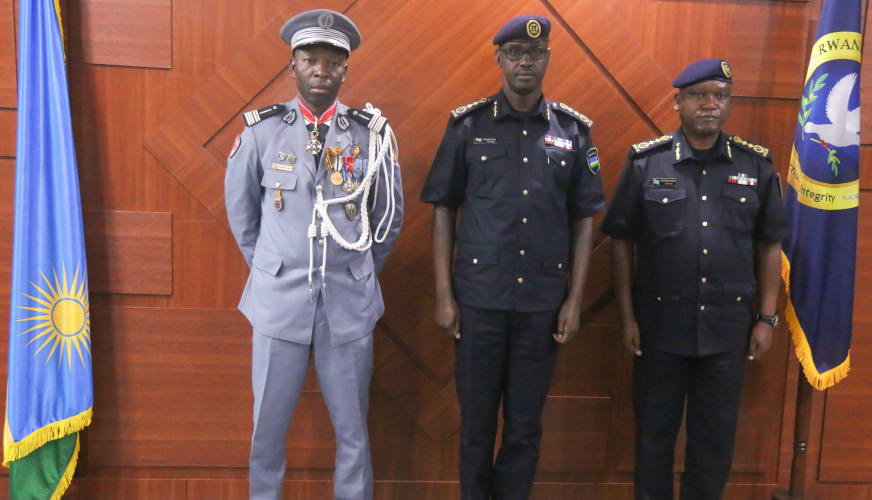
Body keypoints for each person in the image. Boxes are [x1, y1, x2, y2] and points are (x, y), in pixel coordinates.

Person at [420, 15, 605, 500]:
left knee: (524, 427)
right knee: (476, 427)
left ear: (548, 60)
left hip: (542, 306)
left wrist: (574, 300)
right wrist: (444, 295)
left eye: (536, 53)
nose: (527, 61)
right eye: (516, 52)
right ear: (499, 59)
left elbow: (584, 219)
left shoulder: (573, 131)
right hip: (478, 303)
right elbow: (443, 209)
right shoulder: (468, 125)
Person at [223, 9, 403, 500]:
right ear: (292, 66)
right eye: (310, 60)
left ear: (345, 69)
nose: (321, 70)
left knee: (354, 435)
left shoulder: (370, 135)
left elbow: (387, 219)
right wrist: (275, 268)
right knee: (267, 431)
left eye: (332, 62)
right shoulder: (261, 132)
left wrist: (355, 271)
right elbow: (243, 217)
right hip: (278, 304)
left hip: (348, 305)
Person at [600, 59, 789, 500]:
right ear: (678, 102)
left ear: (729, 103)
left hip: (727, 330)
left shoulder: (755, 164)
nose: (710, 104)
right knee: (653, 437)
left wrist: (766, 319)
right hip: (659, 329)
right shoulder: (647, 162)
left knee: (714, 442)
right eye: (699, 95)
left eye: (720, 96)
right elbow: (621, 241)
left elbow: (769, 246)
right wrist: (627, 317)